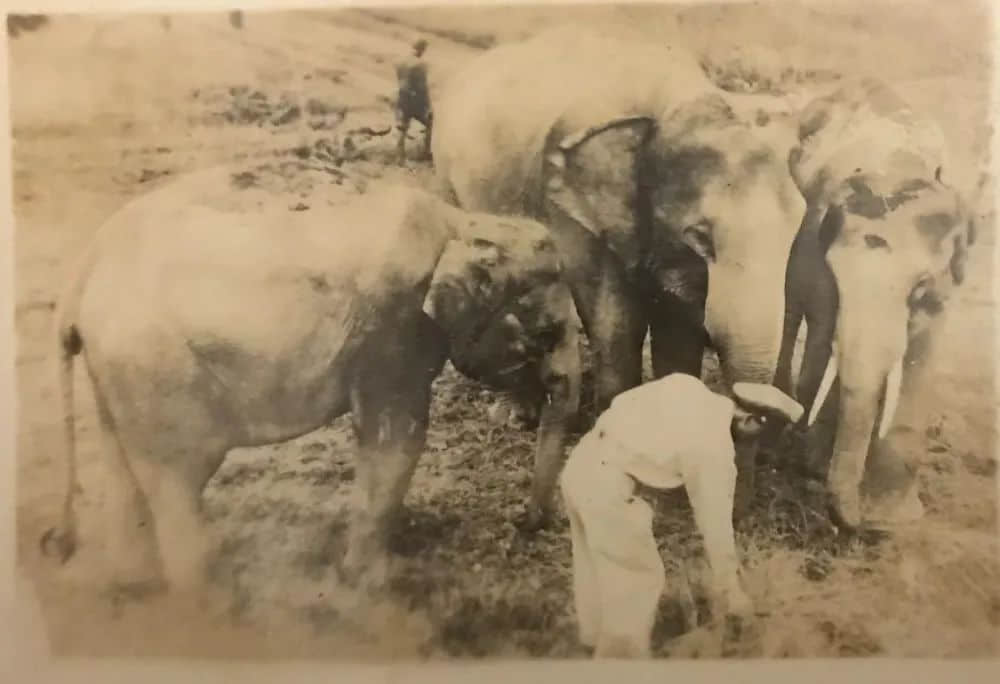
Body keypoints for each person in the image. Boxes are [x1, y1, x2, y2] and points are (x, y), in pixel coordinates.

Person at [560, 373, 803, 658]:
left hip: (580, 464)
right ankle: (619, 665)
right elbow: (715, 526)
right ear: (751, 420)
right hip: (607, 486)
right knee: (636, 580)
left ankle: (590, 644)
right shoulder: (714, 447)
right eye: (757, 439)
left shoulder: (687, 385)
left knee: (595, 569)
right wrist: (730, 590)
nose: (751, 446)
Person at [394, 39, 433, 165]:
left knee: (402, 128)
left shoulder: (399, 61)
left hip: (402, 97)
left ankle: (399, 157)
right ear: (422, 49)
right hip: (415, 99)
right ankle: (426, 152)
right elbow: (422, 87)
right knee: (430, 123)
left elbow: (400, 80)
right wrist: (427, 104)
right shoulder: (420, 64)